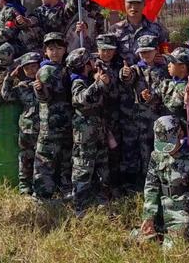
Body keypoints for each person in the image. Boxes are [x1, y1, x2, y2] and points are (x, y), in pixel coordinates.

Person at [136, 115, 189, 249]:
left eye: (169, 144)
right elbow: (151, 187)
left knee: (172, 250)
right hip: (160, 213)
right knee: (137, 241)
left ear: (180, 133)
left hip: (180, 216)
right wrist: (149, 216)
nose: (166, 150)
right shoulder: (156, 156)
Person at [119, 35, 168, 186]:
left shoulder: (163, 69)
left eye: (148, 51)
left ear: (156, 51)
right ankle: (146, 180)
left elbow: (167, 89)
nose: (145, 55)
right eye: (142, 52)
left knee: (159, 147)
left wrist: (153, 97)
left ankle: (161, 179)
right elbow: (127, 77)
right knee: (143, 149)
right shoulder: (136, 69)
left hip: (159, 116)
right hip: (141, 118)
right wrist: (124, 74)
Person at [67, 47, 110, 212]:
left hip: (97, 129)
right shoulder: (77, 81)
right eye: (90, 60)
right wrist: (98, 83)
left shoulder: (87, 79)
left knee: (101, 164)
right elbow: (81, 100)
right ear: (85, 64)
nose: (94, 62)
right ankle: (80, 205)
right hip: (85, 132)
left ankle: (100, 199)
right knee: (83, 167)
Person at [32, 32, 72, 200]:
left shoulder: (67, 69)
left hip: (67, 122)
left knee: (65, 158)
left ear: (64, 50)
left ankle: (65, 189)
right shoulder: (44, 70)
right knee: (45, 160)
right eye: (51, 49)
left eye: (59, 48)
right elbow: (44, 97)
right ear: (45, 51)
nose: (55, 52)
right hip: (50, 124)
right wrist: (40, 89)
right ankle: (42, 194)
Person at [1, 51, 42, 195]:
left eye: (34, 66)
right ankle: (25, 187)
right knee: (25, 158)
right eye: (27, 67)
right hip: (27, 129)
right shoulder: (21, 87)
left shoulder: (46, 83)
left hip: (45, 129)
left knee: (43, 159)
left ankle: (40, 187)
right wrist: (9, 78)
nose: (31, 70)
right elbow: (6, 95)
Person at [95, 33, 128, 194]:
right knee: (101, 152)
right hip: (99, 115)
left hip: (117, 113)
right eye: (103, 50)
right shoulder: (91, 65)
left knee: (115, 150)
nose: (107, 53)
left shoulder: (119, 65)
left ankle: (115, 184)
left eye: (110, 50)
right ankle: (102, 186)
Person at [110, 0, 169, 65]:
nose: (133, 7)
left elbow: (167, 52)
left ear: (144, 4)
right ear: (124, 3)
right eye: (130, 3)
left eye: (138, 3)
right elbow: (107, 56)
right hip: (123, 75)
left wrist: (163, 58)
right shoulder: (114, 30)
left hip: (149, 76)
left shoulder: (157, 29)